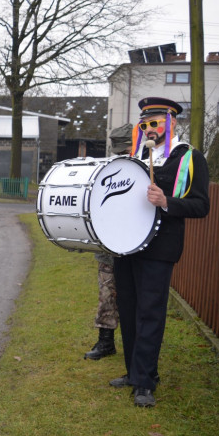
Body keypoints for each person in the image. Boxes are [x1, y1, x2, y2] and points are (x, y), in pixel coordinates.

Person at [110, 98, 209, 407]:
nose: (150, 128)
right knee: (127, 309)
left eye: (156, 123)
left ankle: (144, 381)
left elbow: (201, 206)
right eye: (145, 123)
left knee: (150, 313)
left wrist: (166, 201)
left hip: (160, 248)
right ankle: (132, 371)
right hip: (126, 245)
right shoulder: (133, 156)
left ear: (172, 123)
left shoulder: (191, 158)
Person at [84, 124, 133, 360]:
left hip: (136, 251)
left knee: (133, 300)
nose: (122, 155)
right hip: (108, 251)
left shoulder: (143, 169)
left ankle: (136, 348)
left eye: (126, 150)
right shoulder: (106, 170)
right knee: (107, 296)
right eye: (119, 152)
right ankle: (106, 343)